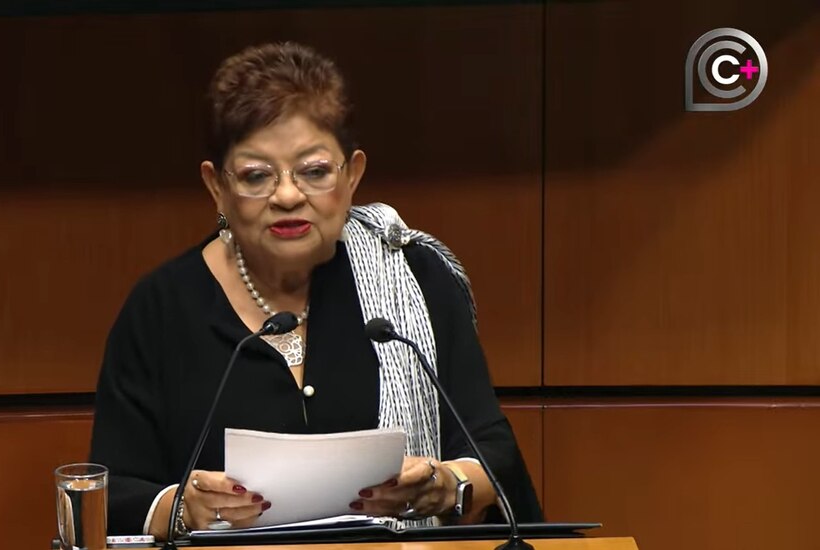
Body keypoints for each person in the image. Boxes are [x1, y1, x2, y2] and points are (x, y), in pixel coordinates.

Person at [89, 41, 542, 538]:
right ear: (216, 187)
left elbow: (492, 455)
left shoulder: (415, 279)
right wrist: (181, 507)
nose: (287, 195)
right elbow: (112, 493)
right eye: (257, 175)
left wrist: (445, 485)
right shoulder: (161, 309)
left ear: (352, 175)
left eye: (314, 171)